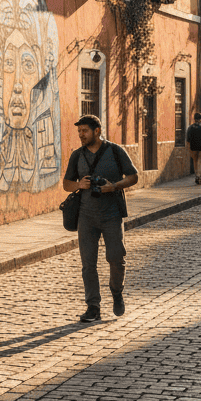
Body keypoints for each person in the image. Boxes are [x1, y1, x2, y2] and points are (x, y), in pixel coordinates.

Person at [62, 115, 139, 322]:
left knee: (116, 258)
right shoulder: (77, 155)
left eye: (85, 131)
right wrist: (79, 185)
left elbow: (133, 176)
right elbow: (66, 184)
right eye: (79, 131)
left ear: (97, 131)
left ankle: (116, 291)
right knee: (88, 264)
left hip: (112, 214)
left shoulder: (115, 151)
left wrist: (113, 186)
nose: (81, 135)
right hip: (86, 216)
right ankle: (93, 306)